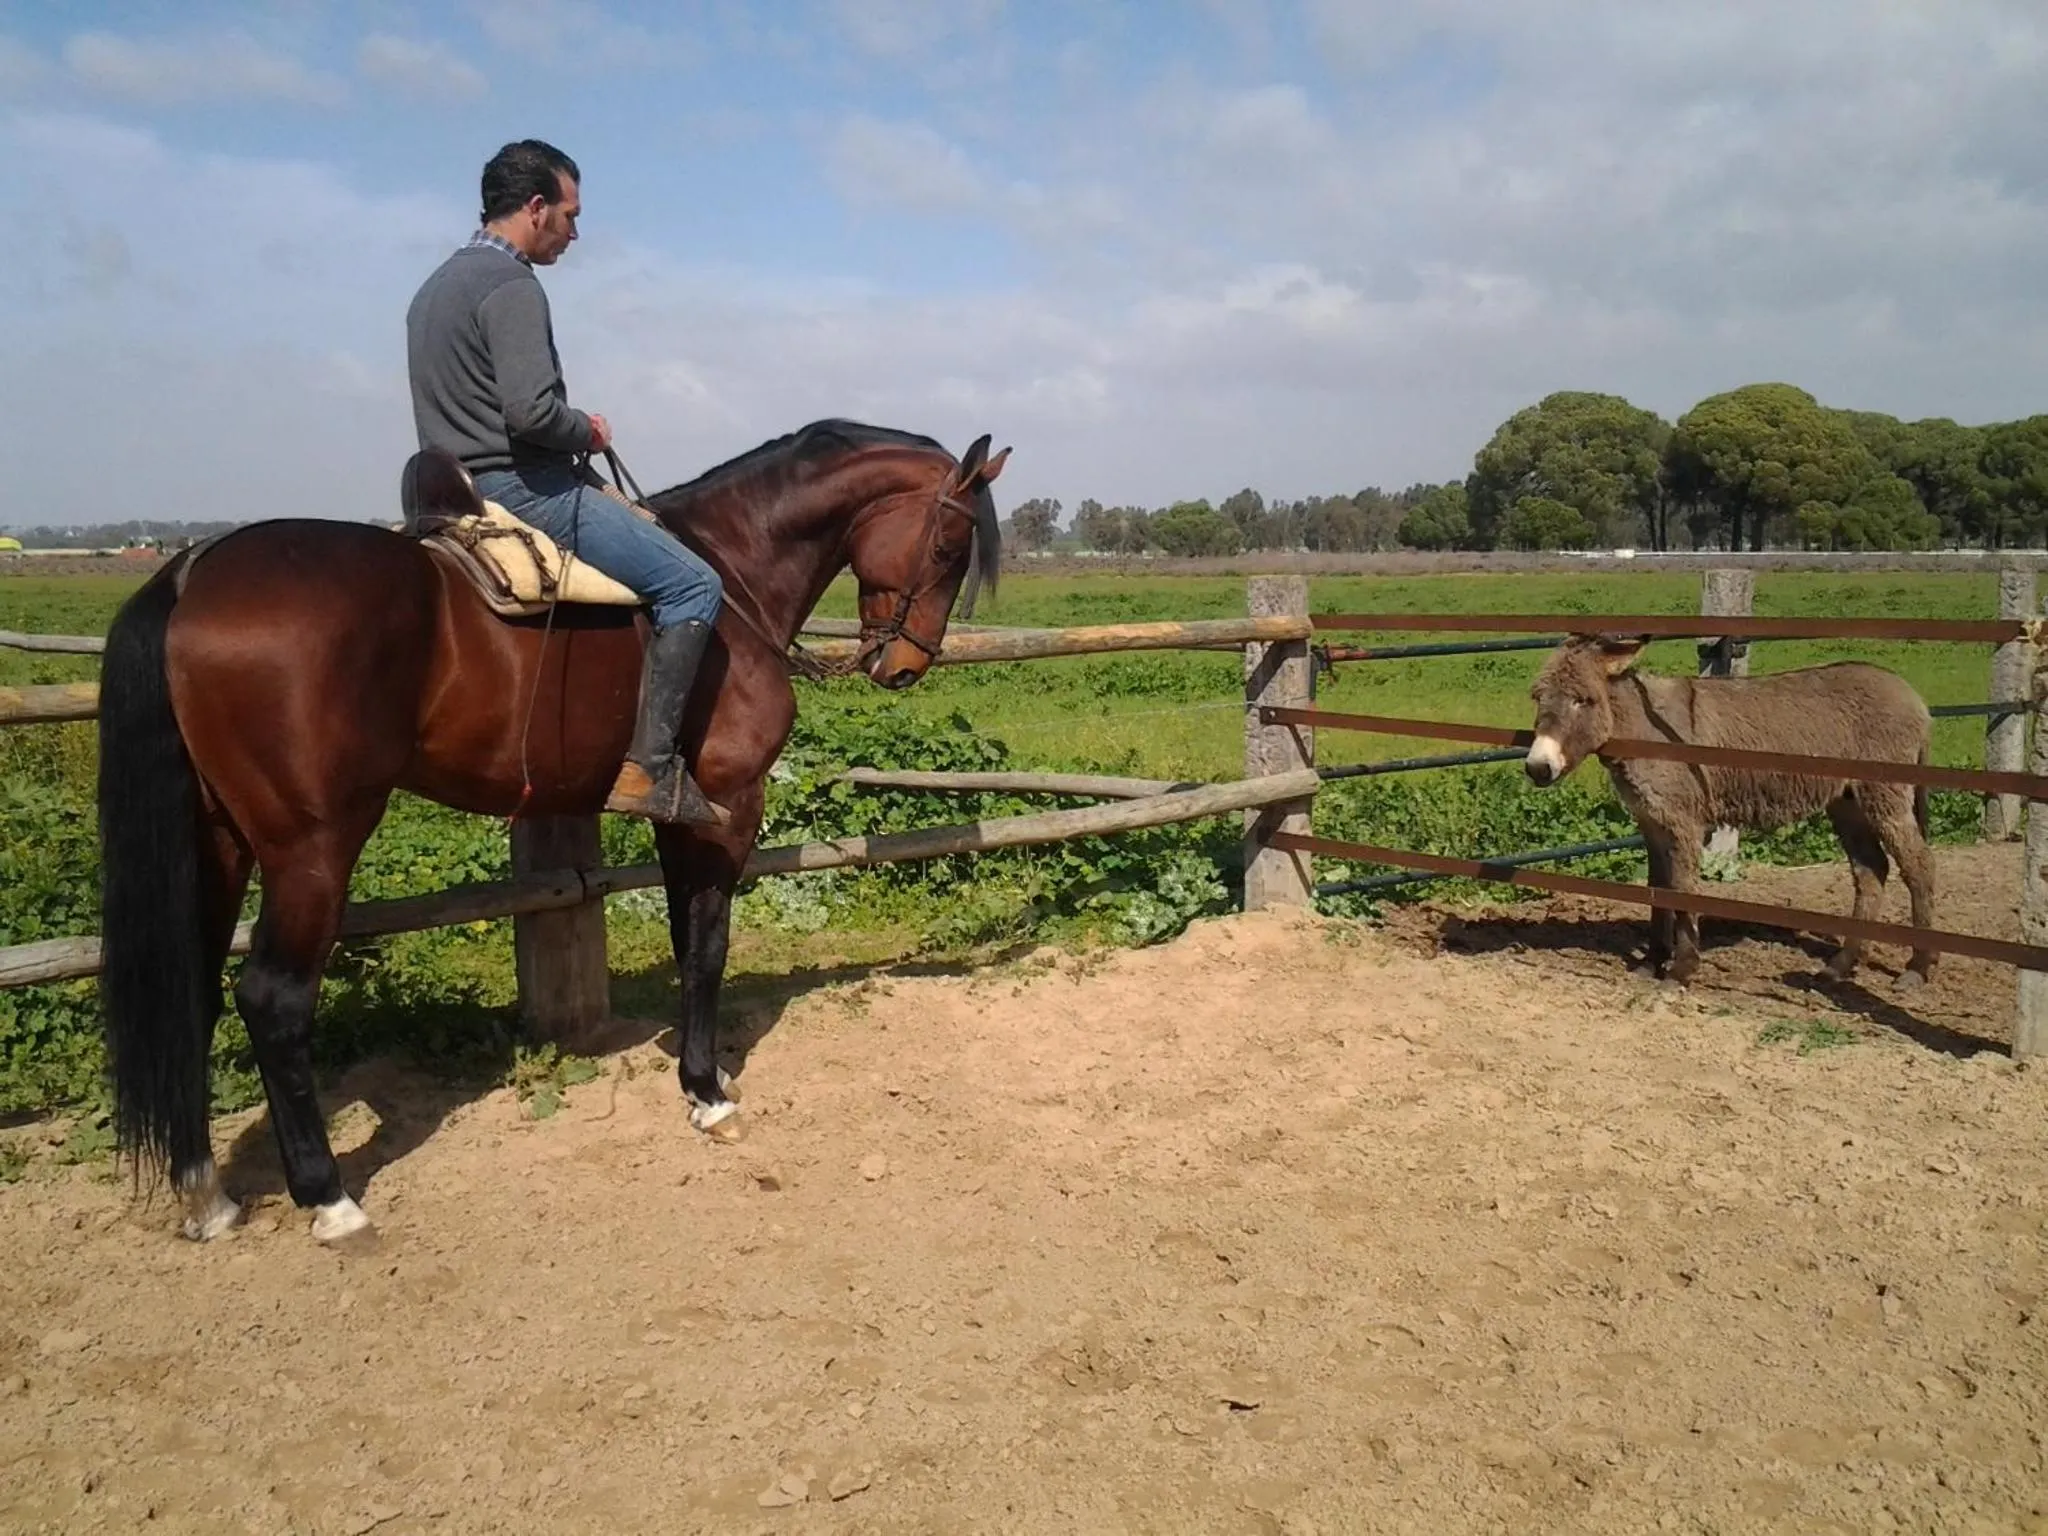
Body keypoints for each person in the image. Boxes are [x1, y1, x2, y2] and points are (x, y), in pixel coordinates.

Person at [405, 138, 726, 826]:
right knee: (694, 584)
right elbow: (530, 413)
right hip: (524, 489)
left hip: (450, 490)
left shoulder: (433, 288)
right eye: (571, 216)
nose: (575, 234)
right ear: (535, 207)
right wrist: (588, 430)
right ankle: (650, 770)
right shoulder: (512, 285)